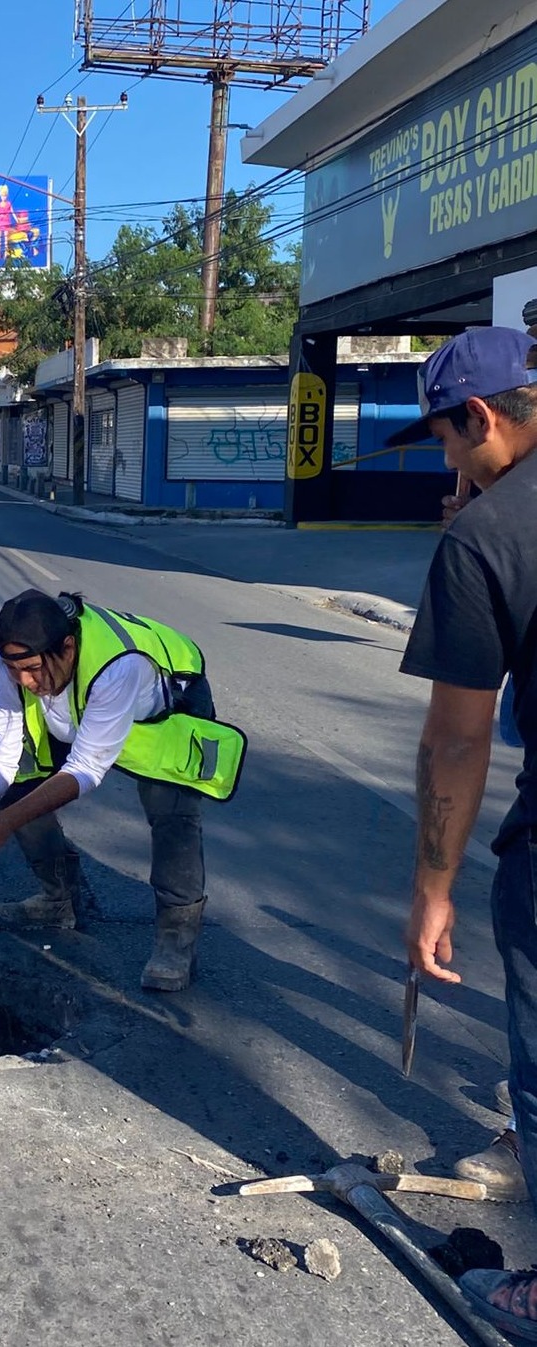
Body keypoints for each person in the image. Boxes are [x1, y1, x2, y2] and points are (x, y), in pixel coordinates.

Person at [390, 328, 537, 1337]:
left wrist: (431, 888)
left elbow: (456, 739)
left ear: (479, 416)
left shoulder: (484, 540)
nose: (448, 462)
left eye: (447, 439)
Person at [0, 589, 245, 992]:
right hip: (80, 710)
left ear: (67, 648)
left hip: (164, 708)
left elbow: (85, 769)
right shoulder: (8, 664)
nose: (25, 682)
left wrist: (3, 824)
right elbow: (1, 752)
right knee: (21, 778)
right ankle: (59, 900)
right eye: (15, 671)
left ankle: (176, 939)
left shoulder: (119, 666)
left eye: (32, 669)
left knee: (170, 811)